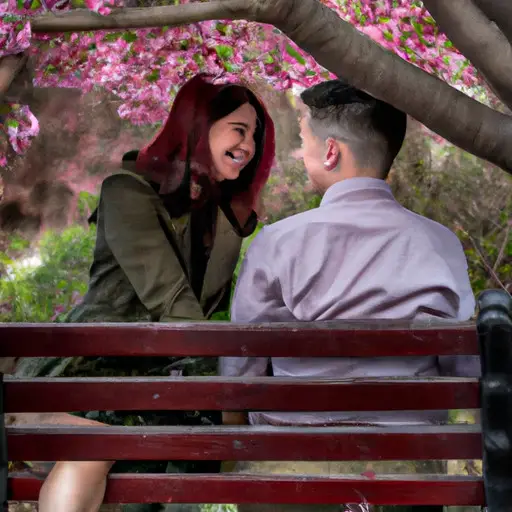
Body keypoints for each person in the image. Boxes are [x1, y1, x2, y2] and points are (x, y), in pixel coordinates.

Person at [219, 79, 479, 512]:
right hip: (407, 466)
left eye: (303, 142)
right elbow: (464, 369)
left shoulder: (277, 243)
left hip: (293, 470)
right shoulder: (440, 243)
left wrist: (235, 446)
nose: (298, 154)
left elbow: (240, 370)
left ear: (331, 152)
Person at [38, 73, 275, 512]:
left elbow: (212, 314)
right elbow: (173, 303)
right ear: (200, 128)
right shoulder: (127, 191)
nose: (250, 146)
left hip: (166, 375)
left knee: (201, 441)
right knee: (97, 441)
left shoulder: (223, 219)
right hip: (94, 370)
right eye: (239, 130)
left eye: (256, 136)